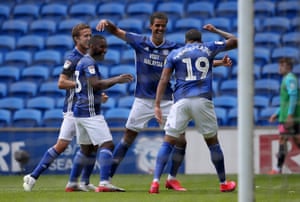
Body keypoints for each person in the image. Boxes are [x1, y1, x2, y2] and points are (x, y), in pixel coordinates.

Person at [96, 12, 232, 192]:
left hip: (168, 100)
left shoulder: (174, 47)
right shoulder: (140, 41)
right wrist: (107, 22)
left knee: (181, 141)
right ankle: (106, 180)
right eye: (157, 25)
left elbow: (191, 60)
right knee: (128, 137)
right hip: (143, 99)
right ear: (151, 26)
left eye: (163, 26)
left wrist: (219, 63)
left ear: (166, 27)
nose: (160, 28)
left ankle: (171, 179)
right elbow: (117, 31)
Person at [149, 25, 238, 194]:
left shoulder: (175, 53)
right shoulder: (208, 47)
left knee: (168, 141)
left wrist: (157, 104)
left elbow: (164, 78)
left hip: (181, 101)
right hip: (202, 99)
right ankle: (223, 183)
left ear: (186, 41)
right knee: (212, 142)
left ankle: (155, 182)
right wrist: (217, 31)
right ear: (200, 40)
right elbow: (235, 41)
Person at [23, 23, 100, 192]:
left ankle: (82, 183)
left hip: (84, 108)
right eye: (85, 36)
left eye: (90, 35)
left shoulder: (88, 57)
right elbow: (61, 82)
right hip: (74, 109)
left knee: (92, 145)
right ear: (76, 39)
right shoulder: (73, 58)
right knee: (63, 145)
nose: (89, 38)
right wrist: (82, 85)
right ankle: (33, 176)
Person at [65, 35, 133, 192]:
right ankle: (104, 183)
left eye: (105, 46)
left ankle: (72, 183)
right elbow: (95, 84)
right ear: (92, 46)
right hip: (90, 112)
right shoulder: (89, 62)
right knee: (107, 144)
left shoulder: (83, 62)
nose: (105, 50)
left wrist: (99, 95)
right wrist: (117, 79)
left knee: (86, 149)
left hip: (79, 111)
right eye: (101, 46)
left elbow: (90, 87)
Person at [268, 57, 300, 175]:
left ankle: (277, 169)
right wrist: (276, 114)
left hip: (290, 117)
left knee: (288, 139)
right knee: (288, 139)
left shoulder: (290, 79)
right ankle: (278, 168)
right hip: (285, 116)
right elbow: (285, 101)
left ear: (288, 67)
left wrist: (290, 115)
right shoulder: (286, 79)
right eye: (279, 65)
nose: (279, 68)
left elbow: (293, 96)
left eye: (282, 65)